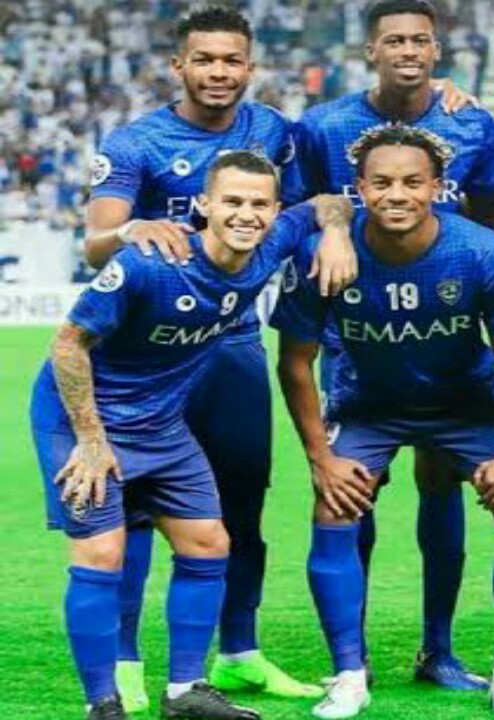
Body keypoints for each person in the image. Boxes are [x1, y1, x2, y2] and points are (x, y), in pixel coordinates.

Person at [32, 152, 353, 720]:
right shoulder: (150, 263)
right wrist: (90, 438)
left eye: (259, 204)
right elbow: (69, 343)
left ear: (275, 210)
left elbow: (330, 202)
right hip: (84, 420)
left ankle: (184, 692)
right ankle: (102, 702)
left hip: (160, 422)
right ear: (204, 204)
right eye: (232, 201)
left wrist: (335, 233)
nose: (246, 214)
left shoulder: (273, 242)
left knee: (208, 542)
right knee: (103, 552)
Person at [81, 7, 329, 710]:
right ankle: (126, 663)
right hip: (152, 357)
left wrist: (335, 229)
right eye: (205, 59)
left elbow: (316, 203)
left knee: (242, 505)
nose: (219, 72)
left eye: (231, 60)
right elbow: (95, 243)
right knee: (132, 509)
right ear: (179, 66)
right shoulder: (136, 142)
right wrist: (134, 227)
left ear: (250, 66)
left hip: (233, 347)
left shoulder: (274, 131)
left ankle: (239, 655)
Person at [271, 125, 494, 718]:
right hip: (368, 405)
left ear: (438, 187)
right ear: (359, 187)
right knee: (334, 506)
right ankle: (349, 673)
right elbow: (294, 363)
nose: (397, 195)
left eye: (412, 182)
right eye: (382, 182)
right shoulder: (322, 253)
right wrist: (321, 460)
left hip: (463, 404)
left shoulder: (482, 252)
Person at [288, 0, 494, 689]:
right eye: (394, 40)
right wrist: (332, 226)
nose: (408, 51)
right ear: (370, 51)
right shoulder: (324, 126)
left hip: (448, 341)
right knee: (354, 489)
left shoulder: (472, 122)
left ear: (437, 51)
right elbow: (303, 207)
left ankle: (437, 650)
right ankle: (351, 660)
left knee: (441, 481)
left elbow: (492, 213)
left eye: (420, 40)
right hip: (360, 340)